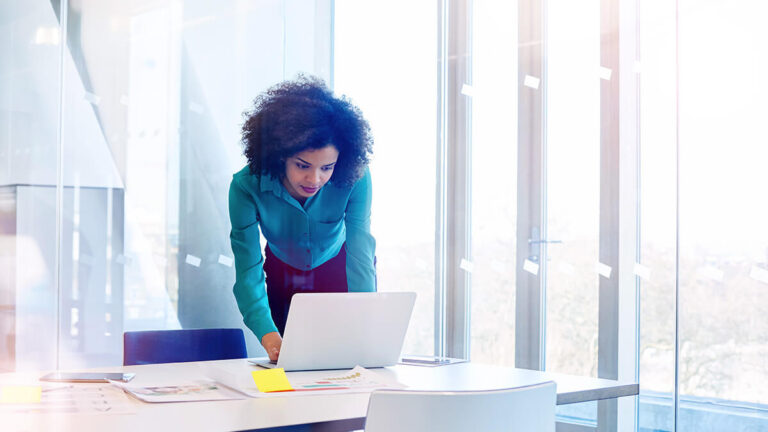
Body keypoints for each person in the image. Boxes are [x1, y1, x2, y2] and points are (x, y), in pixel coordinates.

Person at [228, 76, 376, 362]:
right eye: (302, 165)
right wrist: (267, 333)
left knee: (349, 359)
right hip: (283, 273)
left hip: (340, 267)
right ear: (279, 155)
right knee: (289, 362)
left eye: (327, 167)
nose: (315, 179)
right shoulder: (245, 186)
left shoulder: (357, 177)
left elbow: (361, 256)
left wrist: (364, 322)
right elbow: (248, 271)